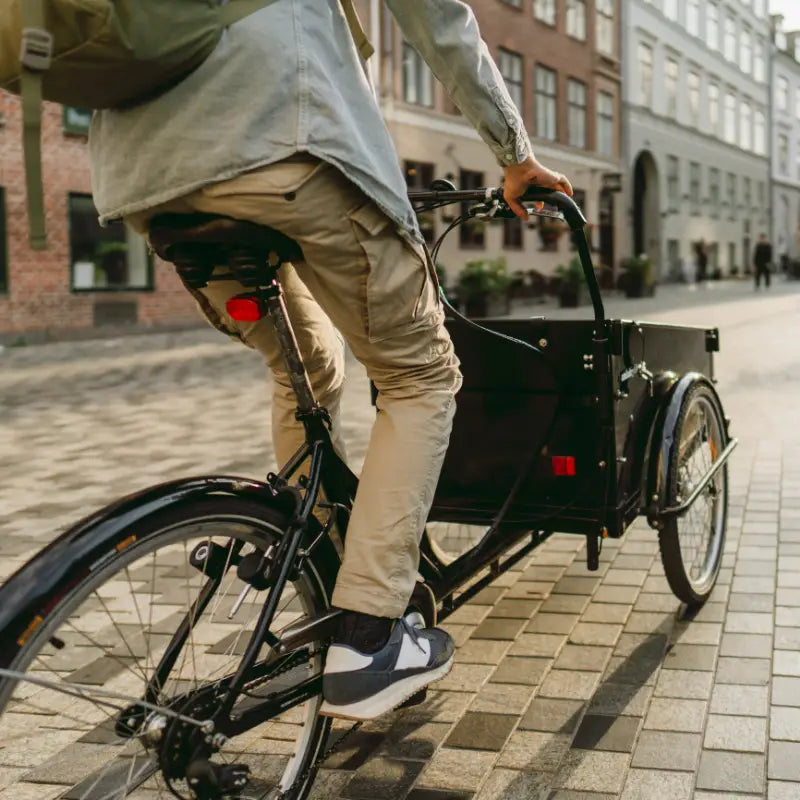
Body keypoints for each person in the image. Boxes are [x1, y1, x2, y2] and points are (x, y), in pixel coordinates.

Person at [88, 0, 572, 721]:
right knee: (420, 375)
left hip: (148, 179)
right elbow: (439, 20)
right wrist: (514, 152)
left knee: (303, 368)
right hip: (288, 146)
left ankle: (324, 558)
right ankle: (369, 635)